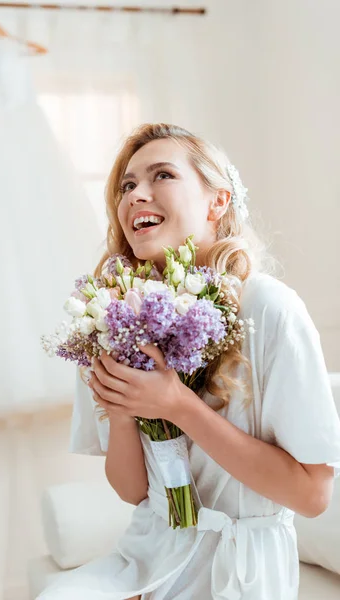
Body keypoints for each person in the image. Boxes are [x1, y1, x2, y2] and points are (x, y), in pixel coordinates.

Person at [37, 123, 340, 600]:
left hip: (238, 571)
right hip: (148, 552)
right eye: (127, 185)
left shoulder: (269, 309)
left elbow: (312, 495)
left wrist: (178, 406)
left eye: (162, 175)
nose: (137, 194)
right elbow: (134, 492)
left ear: (217, 202)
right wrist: (120, 414)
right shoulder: (114, 315)